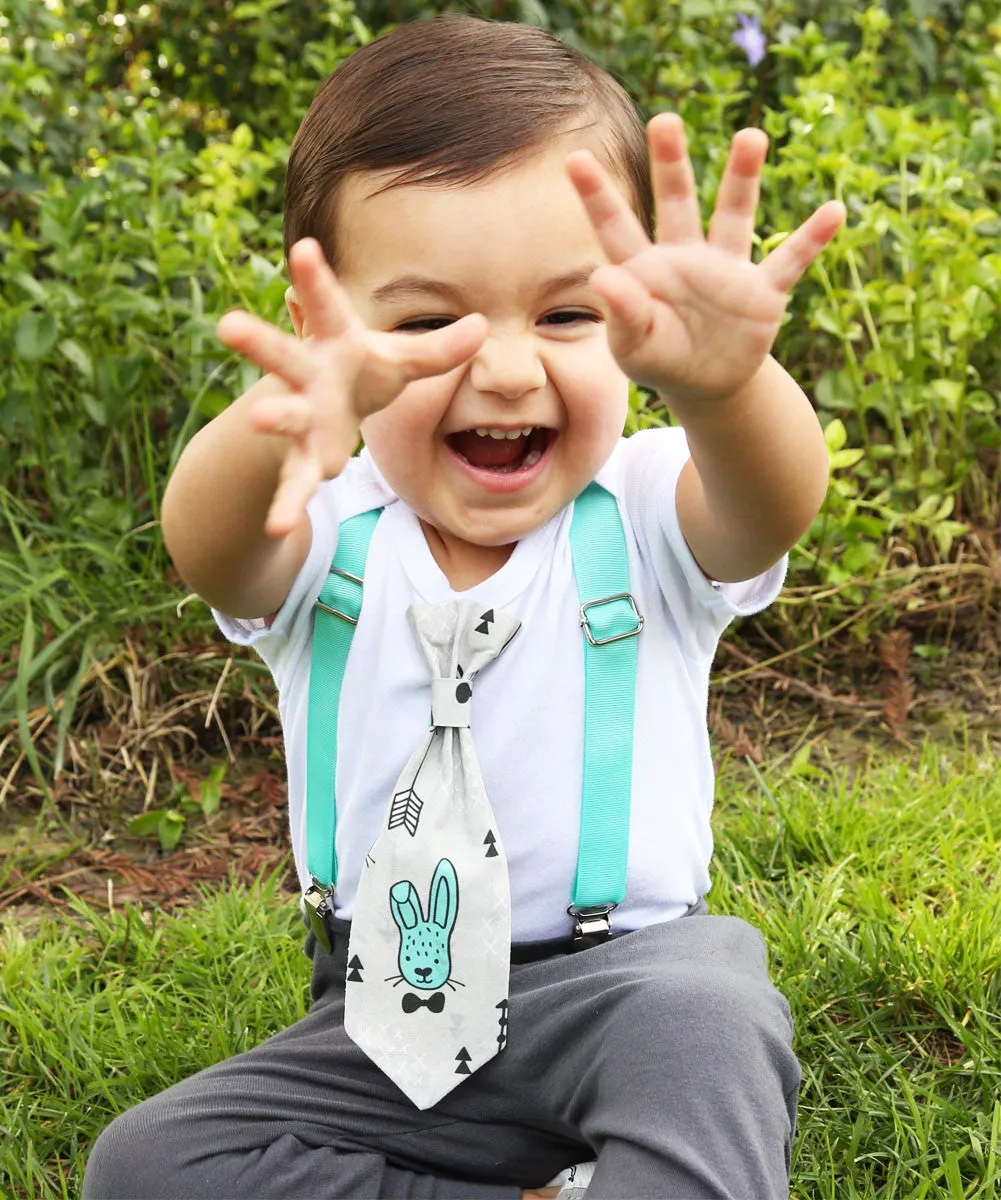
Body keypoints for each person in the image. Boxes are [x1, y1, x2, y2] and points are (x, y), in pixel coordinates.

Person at [82, 13, 843, 1200]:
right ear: (324, 331)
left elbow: (769, 505)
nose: (501, 367)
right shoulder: (326, 530)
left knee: (709, 1020)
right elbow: (212, 552)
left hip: (620, 989)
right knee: (148, 1164)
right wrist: (271, 432)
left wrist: (728, 389)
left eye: (566, 314)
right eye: (429, 322)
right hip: (382, 1015)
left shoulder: (643, 510)